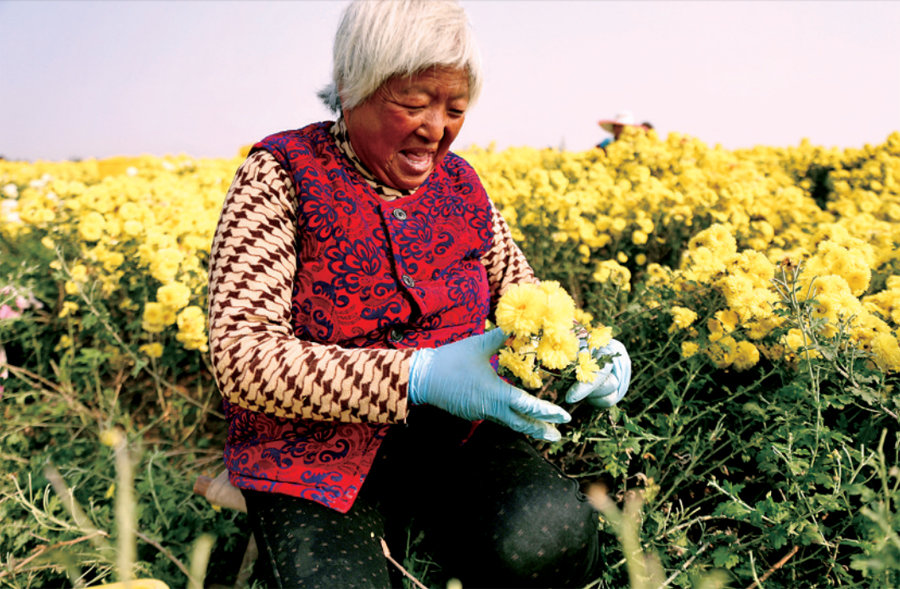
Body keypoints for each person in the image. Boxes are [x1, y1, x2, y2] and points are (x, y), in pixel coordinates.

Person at [207, 1, 632, 587]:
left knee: (551, 539)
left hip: (457, 435)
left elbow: (523, 291)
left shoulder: (460, 183)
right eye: (414, 104)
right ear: (354, 87)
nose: (436, 129)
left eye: (455, 109)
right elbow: (242, 358)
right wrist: (417, 375)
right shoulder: (281, 174)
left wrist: (587, 345)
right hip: (313, 451)